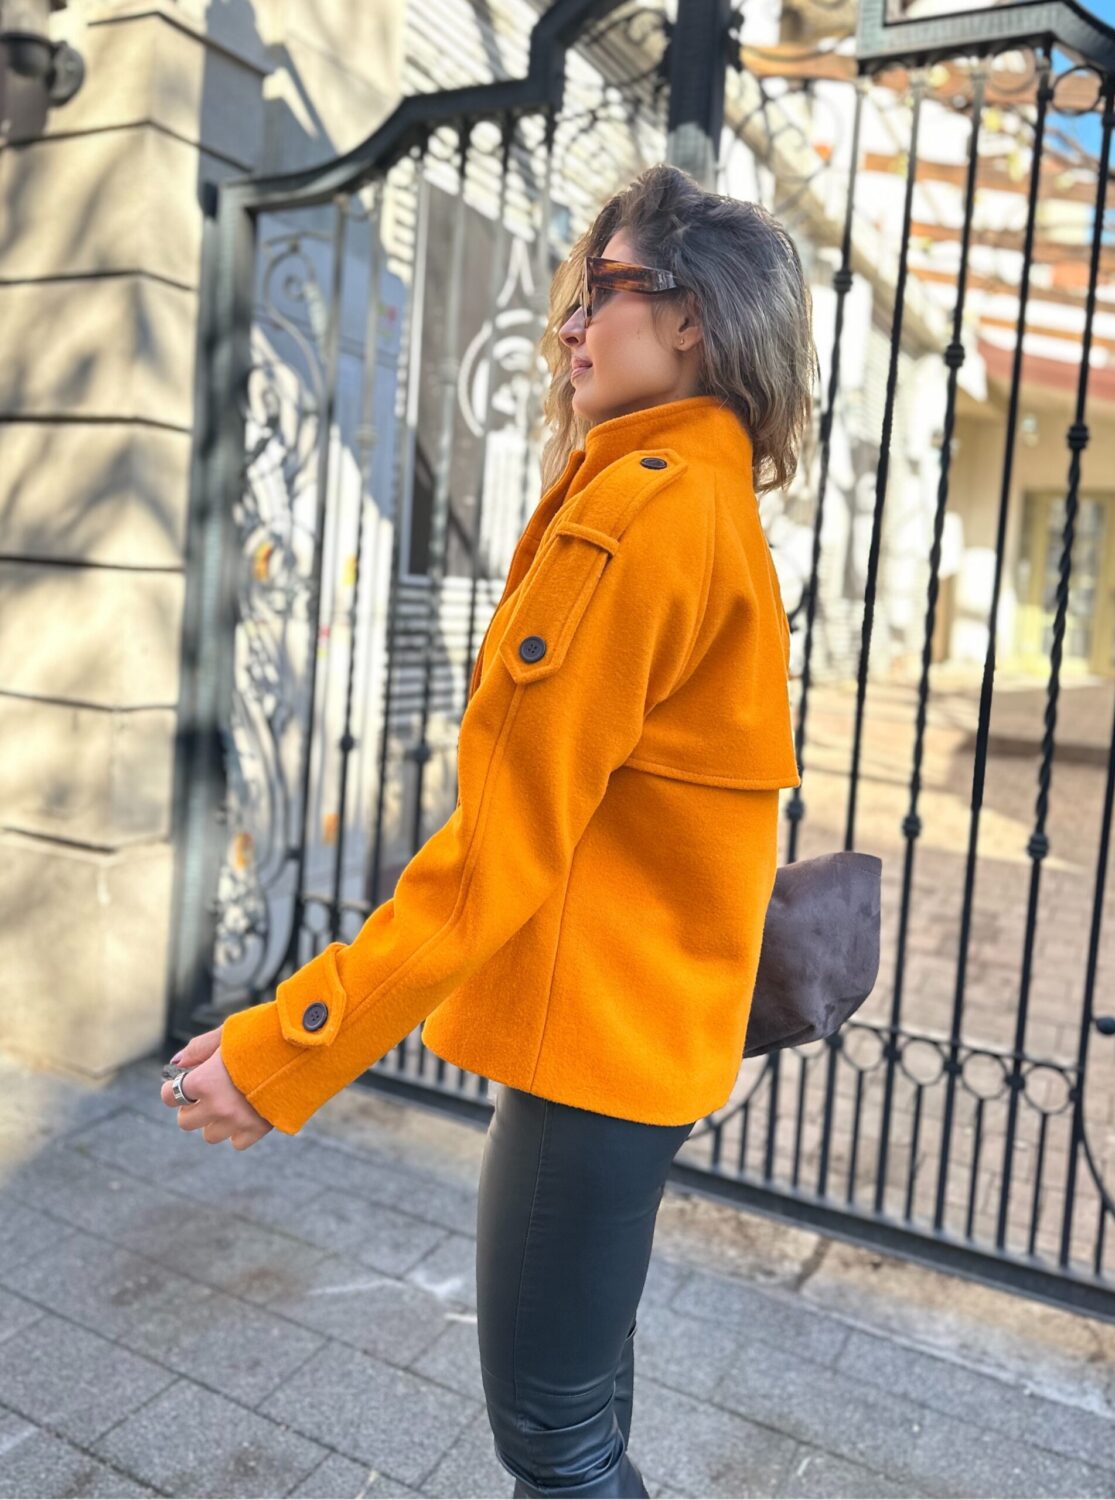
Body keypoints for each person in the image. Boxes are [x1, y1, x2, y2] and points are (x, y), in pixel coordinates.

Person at [161, 161, 815, 1497]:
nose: (568, 325)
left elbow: (496, 854)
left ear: (691, 316)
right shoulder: (710, 505)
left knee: (557, 1449)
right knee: (585, 1426)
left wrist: (289, 1049)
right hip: (646, 1046)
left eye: (599, 290)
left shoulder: (639, 513)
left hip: (594, 1061)